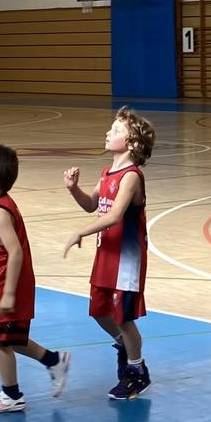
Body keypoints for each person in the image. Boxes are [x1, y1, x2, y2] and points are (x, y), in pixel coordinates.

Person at [0, 144, 72, 413]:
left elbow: (16, 252)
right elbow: (0, 250)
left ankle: (11, 395)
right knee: (9, 336)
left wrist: (10, 292)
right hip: (1, 278)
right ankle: (53, 360)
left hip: (7, 282)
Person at [62, 107, 155, 400]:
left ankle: (137, 371)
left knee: (124, 317)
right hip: (106, 254)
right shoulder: (107, 173)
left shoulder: (131, 176)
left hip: (126, 258)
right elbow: (92, 204)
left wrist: (80, 231)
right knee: (99, 311)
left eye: (115, 130)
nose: (108, 133)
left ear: (133, 144)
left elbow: (115, 216)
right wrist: (73, 189)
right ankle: (126, 350)